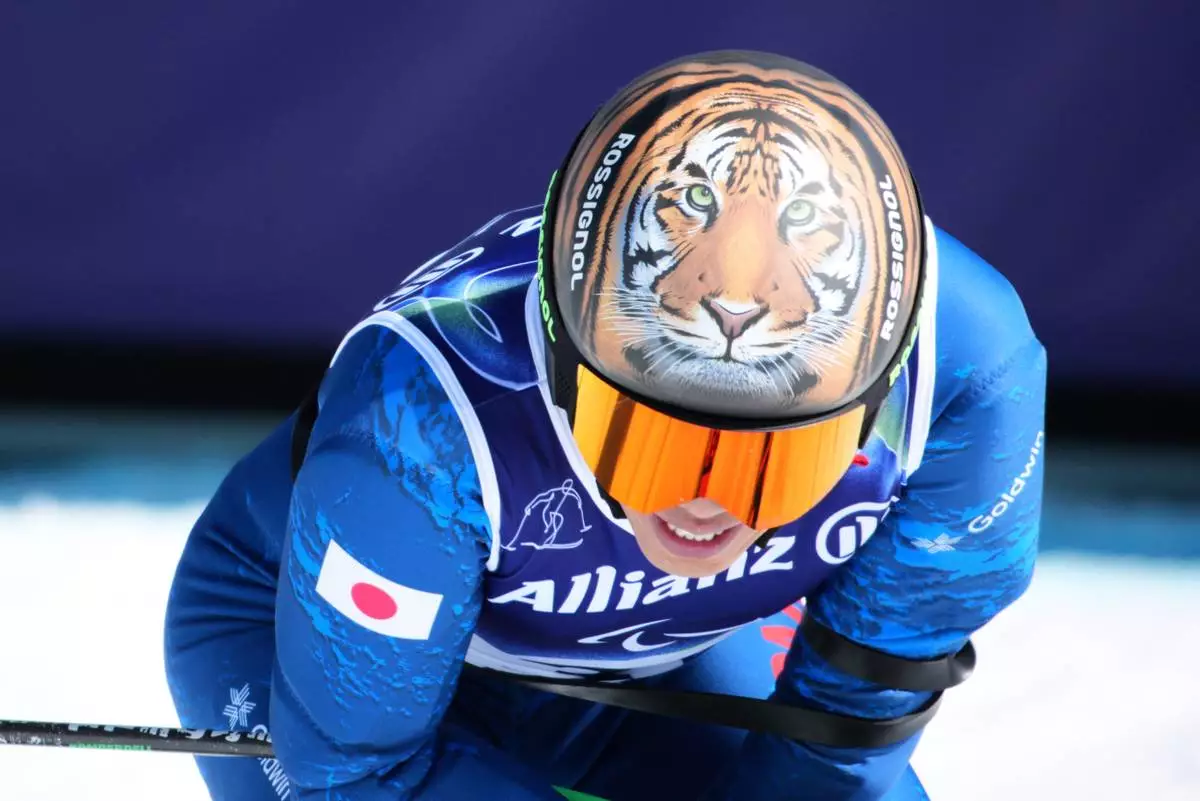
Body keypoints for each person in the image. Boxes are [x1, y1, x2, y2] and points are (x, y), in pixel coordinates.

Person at [163, 50, 1046, 801]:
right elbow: (352, 774)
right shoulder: (418, 417)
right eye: (651, 442)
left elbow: (842, 733)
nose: (705, 504)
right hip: (297, 631)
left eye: (773, 461)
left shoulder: (970, 375)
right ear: (554, 362)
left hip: (645, 651)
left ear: (873, 401)